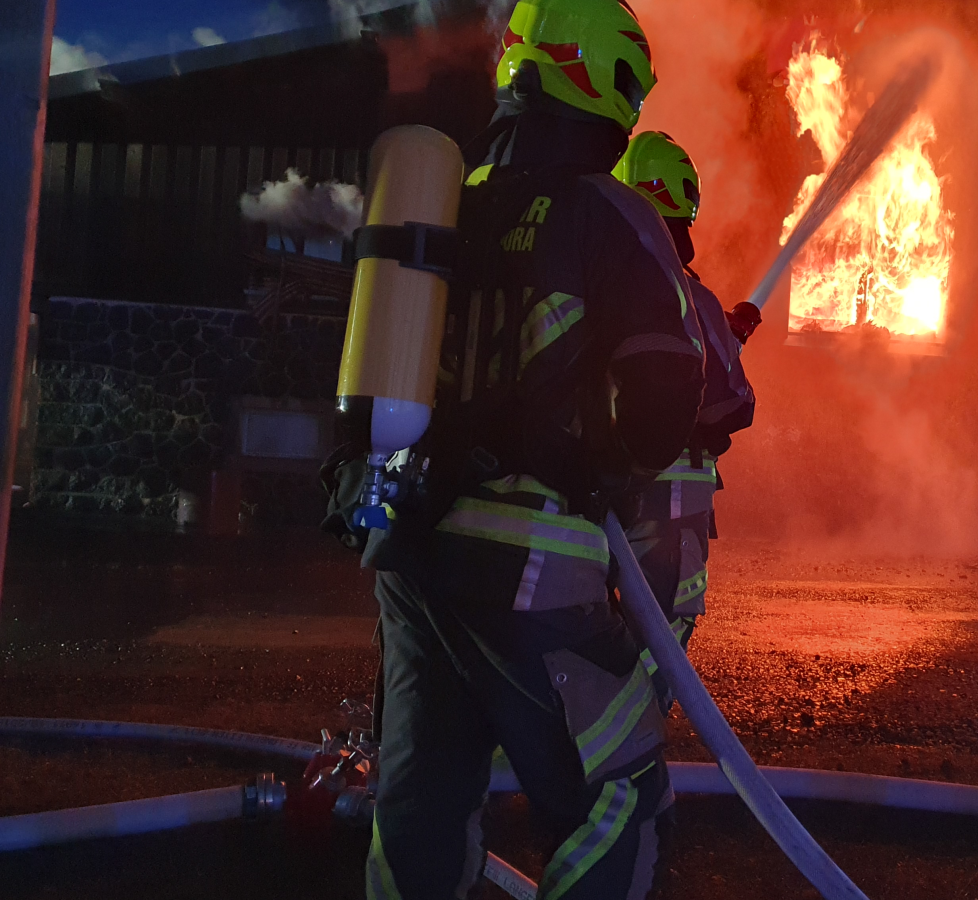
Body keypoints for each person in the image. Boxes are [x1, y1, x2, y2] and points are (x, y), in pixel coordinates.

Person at [352, 2, 705, 896]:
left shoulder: (443, 206)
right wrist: (608, 468)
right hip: (532, 562)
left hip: (406, 544)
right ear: (603, 76)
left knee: (422, 803)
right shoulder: (611, 214)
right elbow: (669, 393)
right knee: (621, 795)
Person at [612, 131, 758, 653]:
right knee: (658, 645)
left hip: (598, 504)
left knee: (599, 634)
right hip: (668, 513)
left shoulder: (595, 277)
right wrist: (725, 346)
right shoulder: (690, 294)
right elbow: (732, 402)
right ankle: (636, 733)